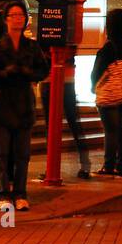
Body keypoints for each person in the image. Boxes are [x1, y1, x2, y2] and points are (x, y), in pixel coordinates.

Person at [0, 2, 49, 212]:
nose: (18, 19)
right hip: (1, 103)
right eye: (14, 15)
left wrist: (28, 73)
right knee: (1, 153)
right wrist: (4, 72)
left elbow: (43, 70)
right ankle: (2, 193)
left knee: (22, 154)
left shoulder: (32, 47)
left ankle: (20, 192)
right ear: (6, 19)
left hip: (23, 104)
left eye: (21, 15)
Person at [91, 9, 122, 178]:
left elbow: (97, 72)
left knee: (110, 131)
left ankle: (108, 166)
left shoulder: (109, 46)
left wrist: (92, 86)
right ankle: (121, 167)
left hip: (109, 94)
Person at [39, 46, 93, 181]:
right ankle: (85, 164)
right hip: (67, 77)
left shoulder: (45, 29)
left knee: (51, 125)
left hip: (50, 78)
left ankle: (50, 168)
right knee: (74, 123)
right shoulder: (70, 28)